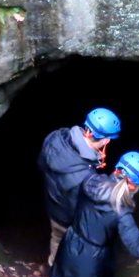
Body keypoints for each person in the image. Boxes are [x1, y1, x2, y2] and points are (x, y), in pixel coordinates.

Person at [38, 108, 122, 268]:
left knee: (56, 239)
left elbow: (41, 164)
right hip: (69, 219)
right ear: (105, 141)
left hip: (53, 206)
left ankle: (53, 270)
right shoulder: (85, 177)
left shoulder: (55, 137)